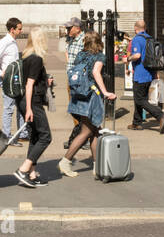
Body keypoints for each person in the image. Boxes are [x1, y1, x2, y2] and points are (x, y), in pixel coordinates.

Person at [59, 31, 116, 177]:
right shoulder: (99, 56)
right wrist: (105, 92)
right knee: (86, 131)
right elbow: (96, 73)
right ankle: (65, 161)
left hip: (78, 95)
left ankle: (98, 167)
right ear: (99, 42)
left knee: (95, 131)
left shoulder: (81, 55)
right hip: (90, 96)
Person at [14, 28, 54, 188]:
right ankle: (23, 169)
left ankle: (31, 173)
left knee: (35, 136)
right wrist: (30, 108)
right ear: (41, 40)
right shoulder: (37, 58)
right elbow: (29, 84)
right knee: (46, 136)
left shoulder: (26, 56)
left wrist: (45, 80)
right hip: (32, 102)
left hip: (24, 100)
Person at [0, 16, 28, 142]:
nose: (21, 31)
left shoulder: (12, 41)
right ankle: (6, 135)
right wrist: (1, 73)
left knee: (20, 105)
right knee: (9, 107)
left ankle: (22, 133)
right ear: (12, 29)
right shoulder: (5, 42)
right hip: (8, 80)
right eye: (19, 29)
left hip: (15, 78)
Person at [129, 18, 164, 133]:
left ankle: (160, 115)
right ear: (145, 28)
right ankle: (136, 123)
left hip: (140, 74)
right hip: (150, 73)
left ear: (135, 29)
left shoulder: (137, 39)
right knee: (141, 98)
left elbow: (136, 55)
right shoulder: (150, 38)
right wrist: (155, 73)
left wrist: (127, 58)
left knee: (140, 99)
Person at [63, 17, 85, 150]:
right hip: (70, 77)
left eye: (69, 28)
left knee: (79, 108)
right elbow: (68, 53)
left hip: (79, 79)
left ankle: (82, 136)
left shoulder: (84, 40)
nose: (67, 30)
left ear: (77, 28)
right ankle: (79, 134)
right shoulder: (71, 39)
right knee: (73, 108)